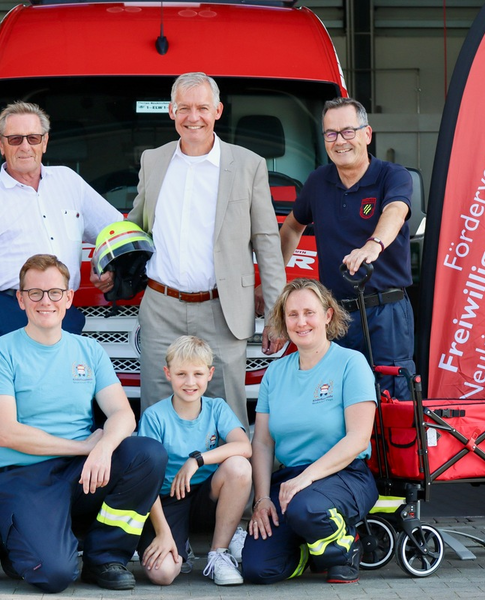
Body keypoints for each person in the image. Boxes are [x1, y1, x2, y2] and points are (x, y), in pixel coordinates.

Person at [0, 254, 167, 593]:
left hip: (79, 471)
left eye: (54, 292)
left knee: (147, 453)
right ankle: (15, 539)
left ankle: (105, 557)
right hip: (20, 475)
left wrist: (104, 447)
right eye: (34, 293)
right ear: (20, 300)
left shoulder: (88, 350)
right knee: (54, 576)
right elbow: (6, 433)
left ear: (69, 298)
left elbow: (123, 415)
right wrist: (83, 447)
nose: (45, 301)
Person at [127, 72, 286, 429]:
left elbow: (267, 243)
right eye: (184, 108)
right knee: (156, 415)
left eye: (201, 107)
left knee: (227, 416)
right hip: (160, 308)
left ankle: (231, 486)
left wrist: (277, 314)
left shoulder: (248, 165)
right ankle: (160, 486)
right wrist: (108, 263)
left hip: (222, 310)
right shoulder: (153, 160)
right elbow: (136, 226)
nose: (192, 117)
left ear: (218, 110)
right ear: (171, 111)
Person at [0, 101, 122, 366]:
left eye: (33, 138)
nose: (25, 146)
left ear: (45, 142)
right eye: (15, 139)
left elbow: (115, 229)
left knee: (65, 399)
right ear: (1, 145)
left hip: (64, 315)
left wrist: (102, 262)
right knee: (14, 403)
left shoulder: (69, 182)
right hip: (9, 316)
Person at [275, 97, 414, 399]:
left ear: (367, 134)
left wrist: (373, 245)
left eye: (348, 131)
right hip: (334, 315)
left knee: (392, 398)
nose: (340, 141)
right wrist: (272, 282)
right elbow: (291, 228)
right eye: (331, 133)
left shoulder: (392, 175)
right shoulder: (317, 182)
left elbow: (396, 211)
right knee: (334, 397)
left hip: (385, 311)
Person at [242, 278, 378, 585]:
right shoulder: (275, 372)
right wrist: (261, 499)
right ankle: (310, 554)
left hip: (344, 475)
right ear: (283, 320)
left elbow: (358, 439)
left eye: (309, 313)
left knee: (307, 507)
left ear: (327, 316)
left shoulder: (350, 364)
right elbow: (262, 443)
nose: (301, 322)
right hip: (291, 481)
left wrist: (306, 478)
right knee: (258, 569)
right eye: (292, 314)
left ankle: (345, 547)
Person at [137, 336, 252, 586]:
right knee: (163, 574)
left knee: (239, 466)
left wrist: (197, 460)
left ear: (210, 374)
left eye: (198, 374)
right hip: (166, 502)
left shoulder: (217, 408)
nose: (190, 382)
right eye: (181, 374)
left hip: (206, 496)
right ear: (168, 374)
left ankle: (218, 555)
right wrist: (163, 533)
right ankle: (179, 542)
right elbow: (144, 480)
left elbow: (244, 446)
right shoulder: (154, 416)